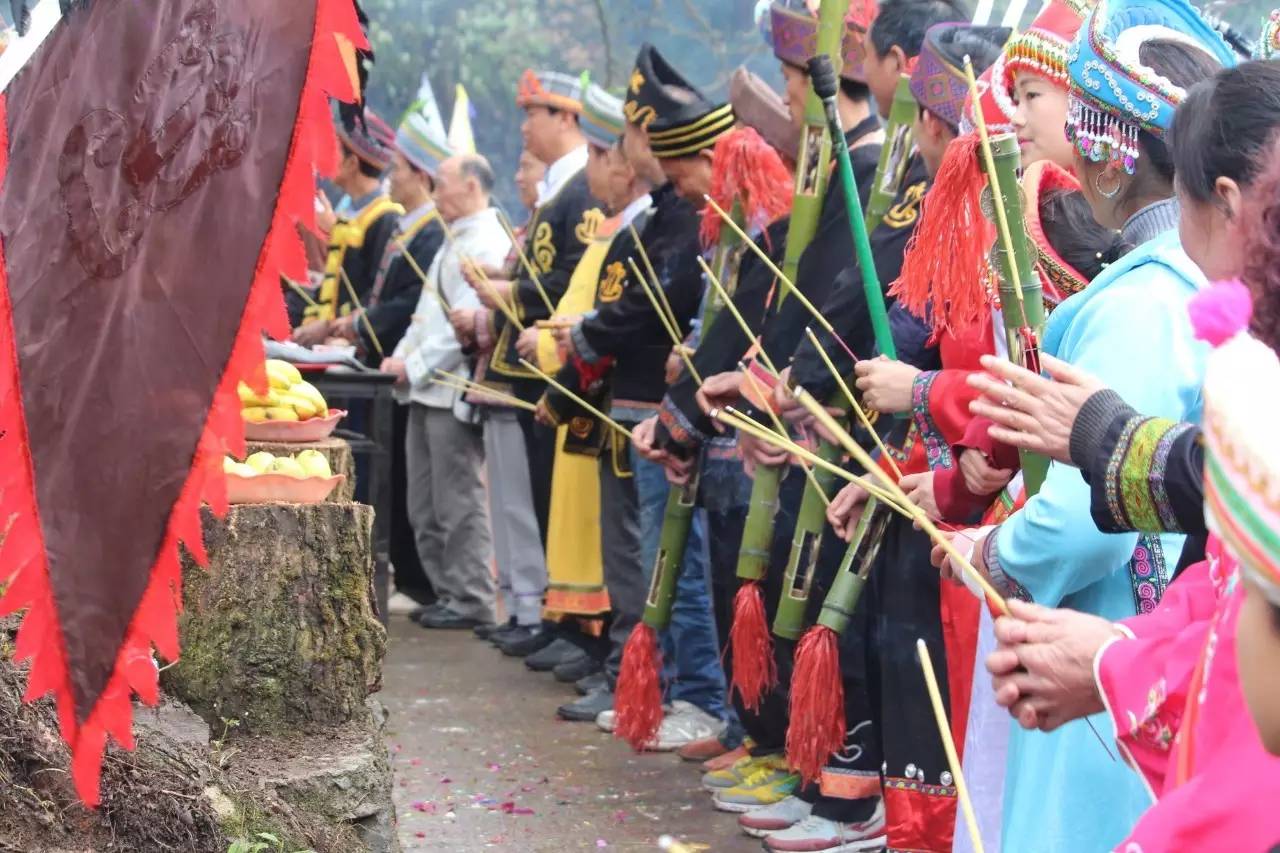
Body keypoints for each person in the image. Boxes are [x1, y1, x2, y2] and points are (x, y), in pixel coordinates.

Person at [924, 1, 1237, 849]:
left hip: (1108, 658)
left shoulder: (1143, 299)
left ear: (1105, 145)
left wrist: (991, 552)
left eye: (1038, 96)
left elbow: (1087, 521)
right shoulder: (1177, 287)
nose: (1021, 115)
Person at [549, 44, 728, 749]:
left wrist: (590, 332)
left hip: (675, 409)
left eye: (626, 136)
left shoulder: (690, 215)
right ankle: (670, 688)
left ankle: (699, 695)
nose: (622, 150)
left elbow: (663, 302)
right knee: (656, 561)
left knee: (675, 565)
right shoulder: (663, 213)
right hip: (646, 407)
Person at [453, 70, 603, 655]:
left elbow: (568, 281)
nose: (524, 126)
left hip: (556, 368)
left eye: (534, 112)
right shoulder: (561, 191)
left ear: (566, 118)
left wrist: (507, 295)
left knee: (546, 500)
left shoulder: (580, 190)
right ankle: (540, 612)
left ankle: (555, 617)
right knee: (532, 499)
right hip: (533, 366)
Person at [518, 81, 625, 686]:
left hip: (593, 389)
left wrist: (564, 341)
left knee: (600, 529)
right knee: (566, 516)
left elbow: (608, 314)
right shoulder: (605, 217)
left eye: (534, 113)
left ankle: (596, 640)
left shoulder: (612, 218)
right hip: (570, 378)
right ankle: (573, 625)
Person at [382, 154, 507, 630]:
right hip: (423, 386)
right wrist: (401, 358)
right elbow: (425, 315)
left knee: (457, 500)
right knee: (425, 502)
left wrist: (411, 364)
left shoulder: (489, 240)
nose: (435, 195)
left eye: (443, 185)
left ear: (472, 187)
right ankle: (447, 589)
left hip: (449, 385)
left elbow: (461, 329)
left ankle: (471, 595)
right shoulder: (453, 238)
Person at [341, 97, 451, 618]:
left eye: (403, 169)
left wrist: (364, 324)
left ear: (424, 177)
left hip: (410, 366)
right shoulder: (412, 226)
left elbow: (410, 306)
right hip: (393, 362)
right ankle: (415, 577)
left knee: (419, 487)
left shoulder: (431, 231)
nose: (393, 177)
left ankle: (424, 581)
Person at [291, 110, 402, 344]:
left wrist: (329, 328)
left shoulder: (385, 218)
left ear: (352, 163)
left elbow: (373, 294)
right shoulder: (349, 214)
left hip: (348, 342)